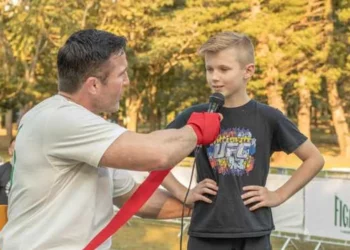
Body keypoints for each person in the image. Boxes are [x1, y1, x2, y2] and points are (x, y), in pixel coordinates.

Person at [0, 29, 221, 250]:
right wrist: (199, 128)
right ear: (94, 85)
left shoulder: (87, 131)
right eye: (121, 74)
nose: (127, 82)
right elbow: (156, 154)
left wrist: (201, 206)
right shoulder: (60, 119)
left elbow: (132, 198)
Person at [165, 31, 325, 250]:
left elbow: (314, 159)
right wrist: (184, 193)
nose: (214, 77)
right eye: (209, 69)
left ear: (248, 71)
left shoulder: (269, 117)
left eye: (223, 69)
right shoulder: (194, 116)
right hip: (206, 232)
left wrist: (278, 195)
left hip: (254, 231)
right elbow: (155, 158)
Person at [0, 138, 15, 205]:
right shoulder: (2, 170)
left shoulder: (32, 172)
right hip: (3, 213)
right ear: (10, 151)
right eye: (15, 148)